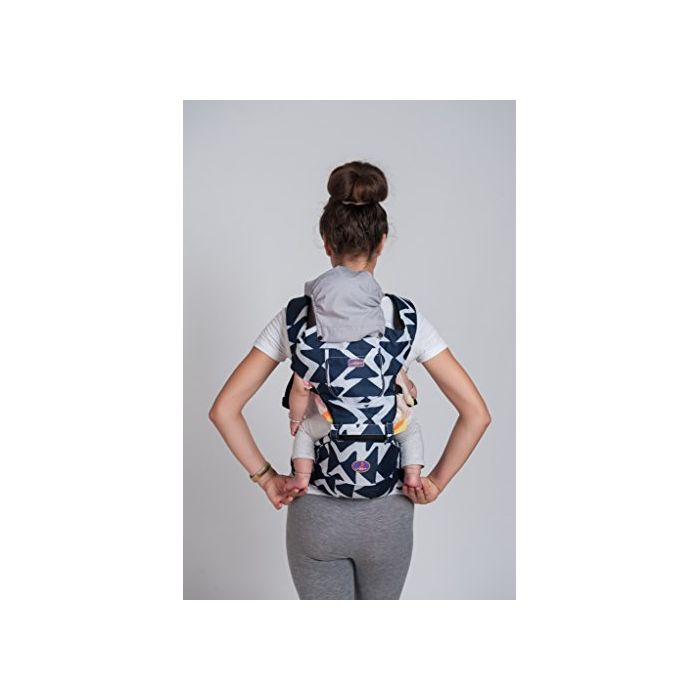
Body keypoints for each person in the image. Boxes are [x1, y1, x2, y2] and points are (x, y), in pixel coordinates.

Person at [209, 160, 491, 599]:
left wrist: (266, 478)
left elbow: (224, 410)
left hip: (315, 516)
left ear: (327, 244)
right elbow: (477, 414)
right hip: (387, 516)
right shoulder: (405, 320)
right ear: (382, 242)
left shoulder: (295, 318)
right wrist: (434, 481)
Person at [285, 263, 426, 495]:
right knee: (410, 433)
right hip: (385, 422)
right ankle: (412, 474)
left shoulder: (311, 349)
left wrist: (295, 419)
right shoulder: (390, 346)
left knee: (306, 433)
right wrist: (409, 392)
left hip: (333, 421)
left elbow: (300, 389)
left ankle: (301, 477)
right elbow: (406, 387)